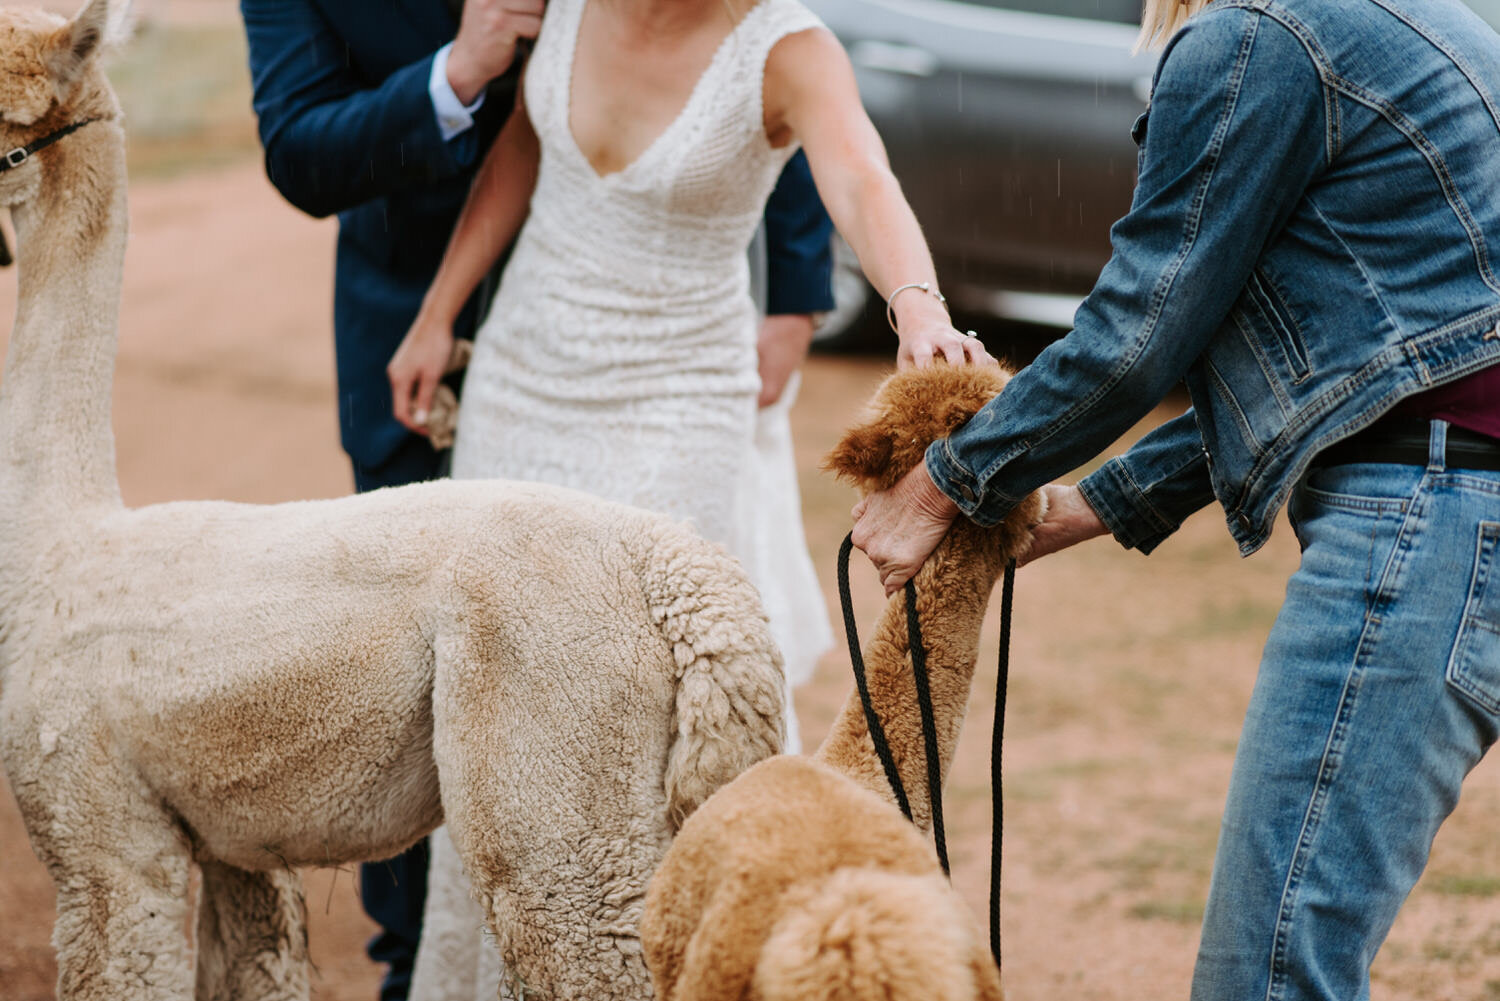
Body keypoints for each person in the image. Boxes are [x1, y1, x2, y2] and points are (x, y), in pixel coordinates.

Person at [852, 0, 1500, 998]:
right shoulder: (1414, 20)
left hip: (1433, 512)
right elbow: (1355, 371)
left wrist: (946, 479)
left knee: (1271, 978)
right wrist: (1088, 503)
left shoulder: (1255, 35)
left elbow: (1138, 329)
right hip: (1464, 505)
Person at [382, 0, 994, 995]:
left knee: (651, 710)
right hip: (522, 378)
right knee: (501, 697)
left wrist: (915, 304)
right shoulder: (564, 7)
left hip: (675, 398)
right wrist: (437, 313)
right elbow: (521, 155)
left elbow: (859, 172)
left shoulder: (787, 47)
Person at [238, 1, 840, 998]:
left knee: (630, 680)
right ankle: (422, 965)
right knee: (429, 693)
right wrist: (456, 74)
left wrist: (796, 284)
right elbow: (301, 151)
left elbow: (737, 35)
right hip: (411, 345)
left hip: (638, 340)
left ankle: (654, 947)